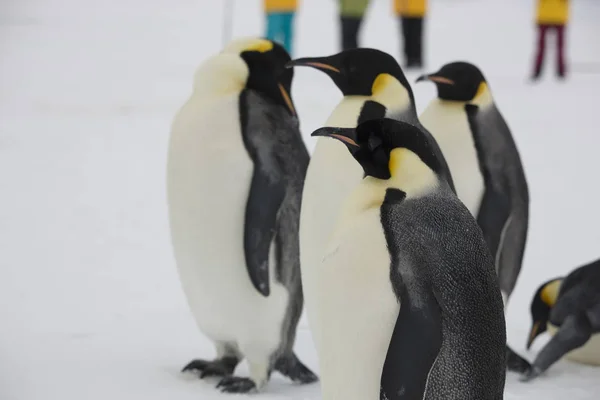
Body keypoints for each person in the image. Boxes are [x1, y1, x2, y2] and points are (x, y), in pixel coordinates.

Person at [531, 0, 569, 80]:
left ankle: (538, 71)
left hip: (550, 16)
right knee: (557, 47)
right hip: (554, 16)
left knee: (543, 47)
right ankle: (560, 71)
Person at [394, 0, 427, 69]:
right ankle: (408, 59)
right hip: (403, 8)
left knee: (415, 36)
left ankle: (416, 59)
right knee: (406, 35)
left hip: (417, 9)